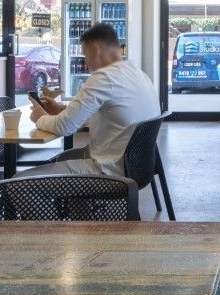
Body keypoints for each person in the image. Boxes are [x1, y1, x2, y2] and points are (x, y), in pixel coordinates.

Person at [25, 23, 160, 178]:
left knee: (16, 182)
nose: (86, 64)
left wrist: (39, 117)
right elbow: (110, 115)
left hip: (110, 173)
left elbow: (64, 127)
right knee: (63, 158)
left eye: (86, 57)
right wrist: (61, 110)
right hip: (139, 168)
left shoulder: (104, 77)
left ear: (96, 50)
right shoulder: (139, 74)